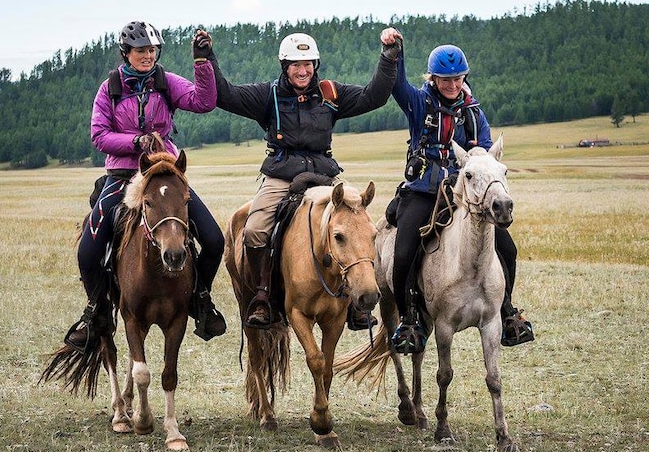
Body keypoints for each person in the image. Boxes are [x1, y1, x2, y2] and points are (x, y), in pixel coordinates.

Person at [205, 30, 401, 329]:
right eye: (296, 64)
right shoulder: (267, 95)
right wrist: (208, 58)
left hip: (325, 175)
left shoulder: (329, 93)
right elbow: (225, 94)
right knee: (256, 229)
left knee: (357, 226)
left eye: (308, 63)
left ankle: (355, 302)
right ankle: (263, 295)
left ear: (316, 65)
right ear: (285, 66)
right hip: (281, 173)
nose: (303, 70)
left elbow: (373, 96)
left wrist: (388, 57)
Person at [64, 21, 226, 353]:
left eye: (152, 50)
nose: (148, 56)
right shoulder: (109, 88)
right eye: (141, 51)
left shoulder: (166, 83)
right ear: (126, 53)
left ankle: (201, 299)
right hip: (123, 177)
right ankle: (96, 311)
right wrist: (135, 141)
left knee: (213, 238)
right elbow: (99, 135)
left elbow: (204, 101)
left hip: (165, 176)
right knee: (88, 251)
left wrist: (202, 63)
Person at [380, 27, 535, 354]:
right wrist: (394, 53)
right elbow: (397, 86)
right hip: (424, 191)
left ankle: (506, 311)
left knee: (507, 250)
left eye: (457, 79)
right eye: (444, 80)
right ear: (433, 79)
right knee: (405, 250)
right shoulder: (419, 103)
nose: (451, 85)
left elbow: (488, 152)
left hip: (467, 196)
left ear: (464, 77)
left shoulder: (474, 113)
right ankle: (410, 319)